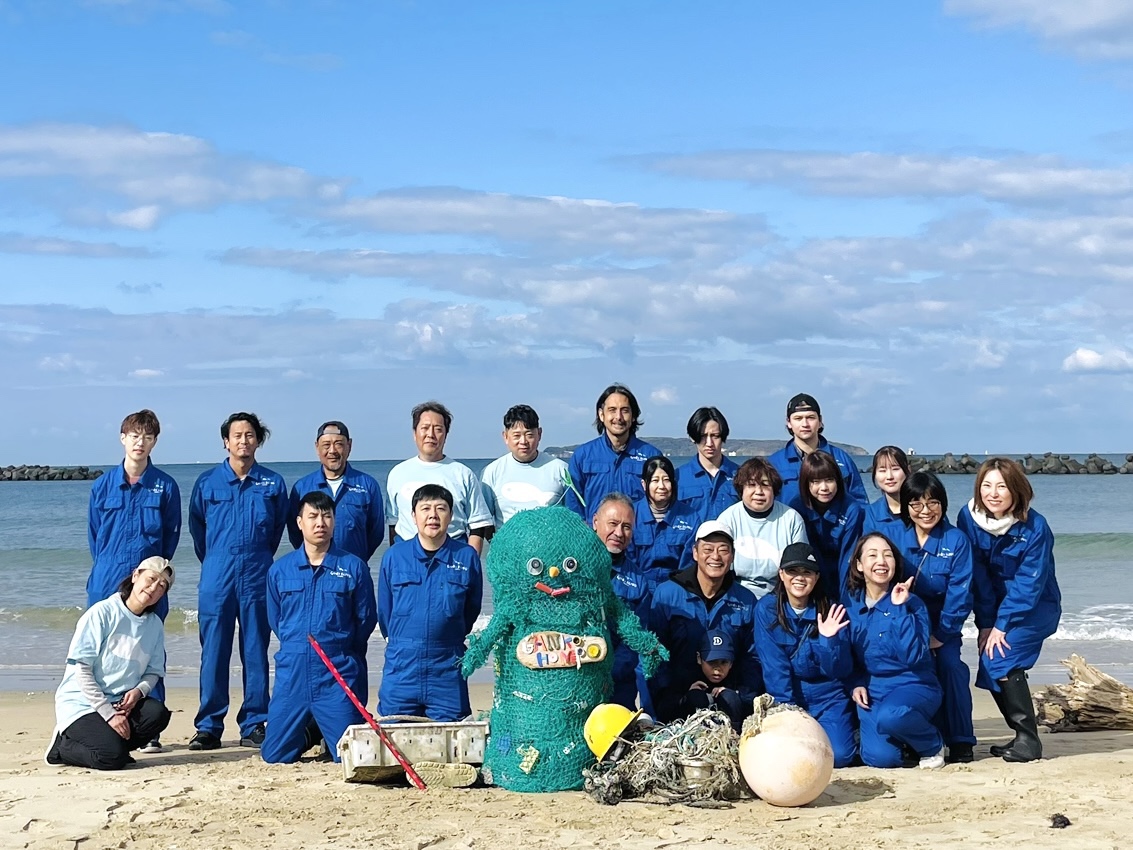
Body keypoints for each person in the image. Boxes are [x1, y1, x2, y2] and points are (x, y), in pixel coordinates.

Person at [188, 412, 288, 751]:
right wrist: (218, 560)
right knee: (214, 651)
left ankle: (255, 722)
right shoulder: (207, 483)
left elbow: (276, 532)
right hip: (217, 575)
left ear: (258, 441)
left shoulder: (272, 484)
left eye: (249, 435)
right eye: (237, 436)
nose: (243, 441)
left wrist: (255, 558)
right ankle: (208, 726)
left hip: (258, 573)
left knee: (256, 650)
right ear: (225, 442)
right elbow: (198, 531)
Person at [85, 408, 181, 753]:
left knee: (148, 652)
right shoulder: (102, 485)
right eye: (134, 435)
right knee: (100, 652)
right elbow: (95, 536)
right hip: (107, 577)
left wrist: (152, 577)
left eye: (148, 437)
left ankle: (147, 729)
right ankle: (98, 718)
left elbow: (170, 540)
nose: (141, 442)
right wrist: (111, 567)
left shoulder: (165, 487)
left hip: (149, 580)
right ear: (123, 438)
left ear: (155, 442)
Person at [957, 457, 1061, 763]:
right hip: (996, 607)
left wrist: (1002, 624)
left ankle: (1029, 739)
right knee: (991, 662)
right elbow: (978, 575)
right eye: (986, 485)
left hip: (1036, 606)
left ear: (1016, 489)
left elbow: (1030, 584)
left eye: (1001, 486)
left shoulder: (1035, 526)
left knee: (1000, 657)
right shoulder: (969, 517)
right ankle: (1022, 737)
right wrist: (987, 623)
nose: (993, 493)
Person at [263, 491, 377, 764]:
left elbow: (365, 620)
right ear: (300, 522)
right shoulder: (280, 570)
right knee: (274, 755)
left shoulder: (353, 567)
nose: (320, 522)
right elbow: (276, 619)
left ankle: (326, 723)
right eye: (313, 516)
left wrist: (338, 646)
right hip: (293, 674)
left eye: (327, 516)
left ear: (334, 521)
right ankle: (311, 731)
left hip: (336, 673)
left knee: (350, 757)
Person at [46, 557, 175, 770]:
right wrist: (108, 714)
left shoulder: (154, 625)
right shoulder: (102, 613)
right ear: (136, 576)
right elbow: (82, 669)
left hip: (119, 703)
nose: (153, 588)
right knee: (111, 758)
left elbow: (153, 672)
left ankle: (112, 746)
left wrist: (139, 692)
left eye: (162, 586)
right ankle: (62, 747)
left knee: (157, 714)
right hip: (83, 704)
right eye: (150, 579)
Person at [378, 484, 483, 721]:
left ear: (451, 516)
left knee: (450, 746)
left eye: (441, 508)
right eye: (425, 508)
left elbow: (471, 609)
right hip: (402, 666)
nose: (433, 515)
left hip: (447, 666)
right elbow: (385, 613)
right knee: (395, 740)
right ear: (414, 516)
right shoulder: (394, 556)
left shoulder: (466, 557)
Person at [646, 521, 761, 726]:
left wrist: (740, 694)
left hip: (729, 699)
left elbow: (752, 658)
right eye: (708, 549)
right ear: (695, 552)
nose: (715, 557)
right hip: (679, 699)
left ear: (732, 556)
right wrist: (670, 694)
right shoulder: (667, 595)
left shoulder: (746, 600)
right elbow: (655, 653)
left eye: (723, 550)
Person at [845, 532, 944, 770]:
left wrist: (899, 610)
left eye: (887, 555)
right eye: (873, 555)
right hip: (873, 690)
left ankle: (932, 744)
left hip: (914, 684)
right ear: (859, 565)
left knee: (893, 716)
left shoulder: (912, 603)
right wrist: (855, 683)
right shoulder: (849, 606)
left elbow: (914, 655)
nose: (881, 561)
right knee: (881, 759)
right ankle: (902, 739)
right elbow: (848, 659)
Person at [896, 471, 976, 764]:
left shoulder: (956, 541)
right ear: (906, 507)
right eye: (916, 504)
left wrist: (940, 635)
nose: (925, 510)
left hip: (944, 627)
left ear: (943, 503)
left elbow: (961, 594)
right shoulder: (897, 539)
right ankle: (917, 737)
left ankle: (961, 740)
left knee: (951, 667)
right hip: (906, 626)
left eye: (933, 502)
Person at [755, 543, 856, 767]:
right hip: (790, 696)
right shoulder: (767, 609)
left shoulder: (832, 610)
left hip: (829, 696)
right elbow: (775, 668)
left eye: (807, 572)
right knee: (790, 753)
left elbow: (839, 670)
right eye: (792, 571)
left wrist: (829, 640)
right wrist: (788, 713)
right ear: (781, 574)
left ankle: (850, 732)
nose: (799, 578)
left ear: (817, 577)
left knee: (839, 757)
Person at [385, 401, 494, 555]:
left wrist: (469, 562)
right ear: (414, 433)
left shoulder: (463, 474)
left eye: (438, 429)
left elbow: (477, 525)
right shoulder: (398, 473)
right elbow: (393, 523)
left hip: (453, 553)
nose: (431, 434)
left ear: (446, 435)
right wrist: (396, 558)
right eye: (425, 428)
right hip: (408, 555)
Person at [287, 421, 384, 563]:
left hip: (354, 571)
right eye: (326, 445)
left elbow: (376, 533)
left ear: (349, 446)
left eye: (338, 444)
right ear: (317, 448)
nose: (332, 451)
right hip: (314, 570)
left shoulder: (368, 486)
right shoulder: (301, 488)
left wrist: (355, 561)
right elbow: (295, 532)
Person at [564, 384, 662, 521]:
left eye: (625, 410)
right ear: (601, 415)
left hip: (638, 539)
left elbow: (662, 502)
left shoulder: (651, 456)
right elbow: (573, 507)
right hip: (595, 539)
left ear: (633, 416)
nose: (618, 417)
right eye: (612, 410)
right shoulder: (582, 456)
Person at [716, 458, 808, 599]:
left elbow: (801, 567)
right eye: (751, 485)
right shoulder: (727, 519)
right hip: (736, 595)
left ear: (774, 489)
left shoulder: (791, 519)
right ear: (741, 489)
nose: (759, 492)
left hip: (780, 595)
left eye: (765, 485)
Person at [593, 493, 651, 712]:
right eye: (613, 524)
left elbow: (635, 639)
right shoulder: (573, 567)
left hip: (618, 683)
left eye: (626, 527)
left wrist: (609, 672)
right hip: (575, 675)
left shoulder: (638, 582)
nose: (619, 533)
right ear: (596, 522)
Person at [768, 393, 868, 512]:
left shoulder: (841, 458)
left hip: (839, 529)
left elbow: (861, 502)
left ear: (820, 421)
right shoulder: (774, 463)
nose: (805, 424)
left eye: (810, 417)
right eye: (798, 418)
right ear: (789, 422)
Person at [480, 404, 569, 526]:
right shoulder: (491, 472)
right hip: (507, 543)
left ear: (539, 434)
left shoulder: (560, 469)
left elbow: (573, 515)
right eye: (516, 436)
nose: (523, 442)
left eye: (529, 435)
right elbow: (484, 520)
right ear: (505, 437)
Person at [797, 451, 865, 600]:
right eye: (815, 481)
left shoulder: (851, 508)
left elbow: (848, 557)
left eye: (829, 480)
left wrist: (842, 600)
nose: (824, 488)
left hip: (844, 576)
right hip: (812, 578)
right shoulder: (797, 508)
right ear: (806, 483)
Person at [626, 455, 698, 586]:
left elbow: (689, 563)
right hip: (639, 587)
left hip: (677, 587)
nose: (661, 486)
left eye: (666, 480)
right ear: (644, 484)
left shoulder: (690, 517)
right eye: (655, 480)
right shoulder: (630, 515)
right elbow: (628, 560)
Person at [676, 629, 749, 731]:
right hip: (692, 730)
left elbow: (751, 697)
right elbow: (667, 705)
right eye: (711, 662)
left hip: (727, 730)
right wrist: (687, 695)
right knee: (695, 698)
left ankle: (732, 737)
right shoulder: (686, 675)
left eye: (724, 662)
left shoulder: (739, 677)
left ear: (731, 663)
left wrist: (735, 694)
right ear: (699, 658)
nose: (717, 669)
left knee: (730, 698)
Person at [676, 407, 739, 521]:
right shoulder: (678, 477)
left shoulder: (740, 475)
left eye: (715, 436)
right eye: (703, 436)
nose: (709, 443)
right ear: (692, 437)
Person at [863, 446, 910, 537]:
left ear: (908, 470)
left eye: (895, 469)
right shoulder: (871, 513)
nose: (889, 476)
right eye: (882, 470)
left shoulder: (923, 508)